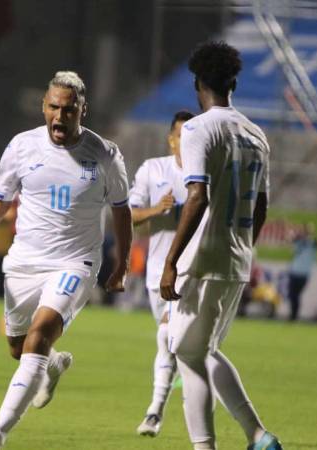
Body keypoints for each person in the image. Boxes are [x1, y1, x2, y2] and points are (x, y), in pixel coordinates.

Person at [0, 71, 132, 450]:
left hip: (75, 263)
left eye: (68, 110)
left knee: (40, 332)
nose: (59, 117)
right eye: (54, 108)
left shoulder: (105, 154)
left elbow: (122, 210)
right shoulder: (22, 147)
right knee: (19, 347)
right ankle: (53, 364)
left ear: (82, 110)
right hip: (24, 261)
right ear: (44, 107)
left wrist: (121, 264)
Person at [159, 41, 282, 450]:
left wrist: (170, 261)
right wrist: (242, 248)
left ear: (198, 83)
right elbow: (261, 206)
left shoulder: (197, 128)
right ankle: (258, 437)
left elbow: (197, 195)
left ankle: (207, 446)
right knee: (204, 349)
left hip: (203, 258)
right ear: (233, 83)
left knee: (187, 355)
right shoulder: (256, 134)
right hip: (236, 257)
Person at [130, 110, 194, 437]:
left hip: (192, 272)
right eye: (183, 136)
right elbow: (131, 216)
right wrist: (158, 209)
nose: (188, 143)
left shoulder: (206, 175)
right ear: (171, 139)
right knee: (173, 343)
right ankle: (194, 380)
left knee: (165, 336)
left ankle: (154, 412)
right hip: (157, 273)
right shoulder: (153, 170)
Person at [287, 222, 317, 321]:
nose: (305, 233)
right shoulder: (298, 242)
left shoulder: (313, 244)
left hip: (304, 274)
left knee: (296, 295)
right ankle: (293, 315)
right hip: (294, 272)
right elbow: (290, 241)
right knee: (292, 295)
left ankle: (294, 316)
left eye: (307, 231)